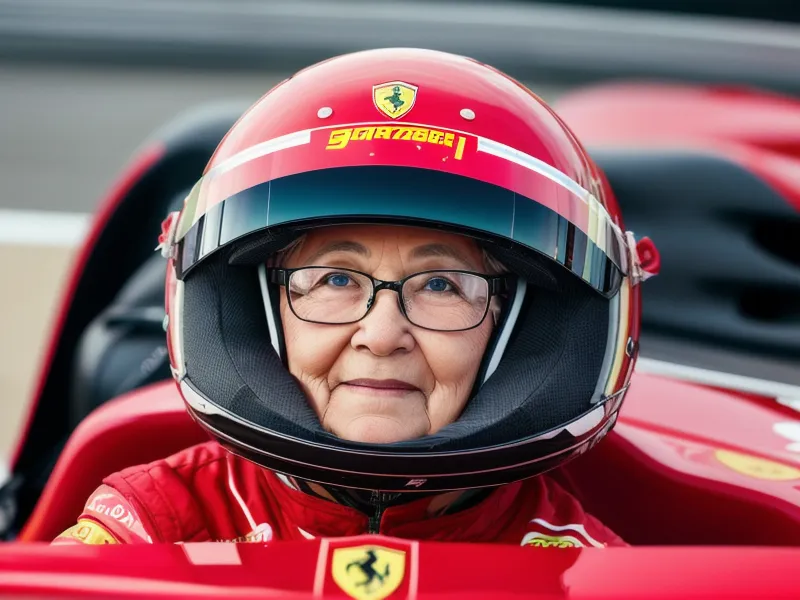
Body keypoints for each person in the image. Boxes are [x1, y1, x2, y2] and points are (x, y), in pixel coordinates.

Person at [53, 48, 658, 547]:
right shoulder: (156, 524)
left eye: (441, 285)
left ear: (514, 331)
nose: (381, 335)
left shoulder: (590, 568)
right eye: (336, 280)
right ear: (260, 315)